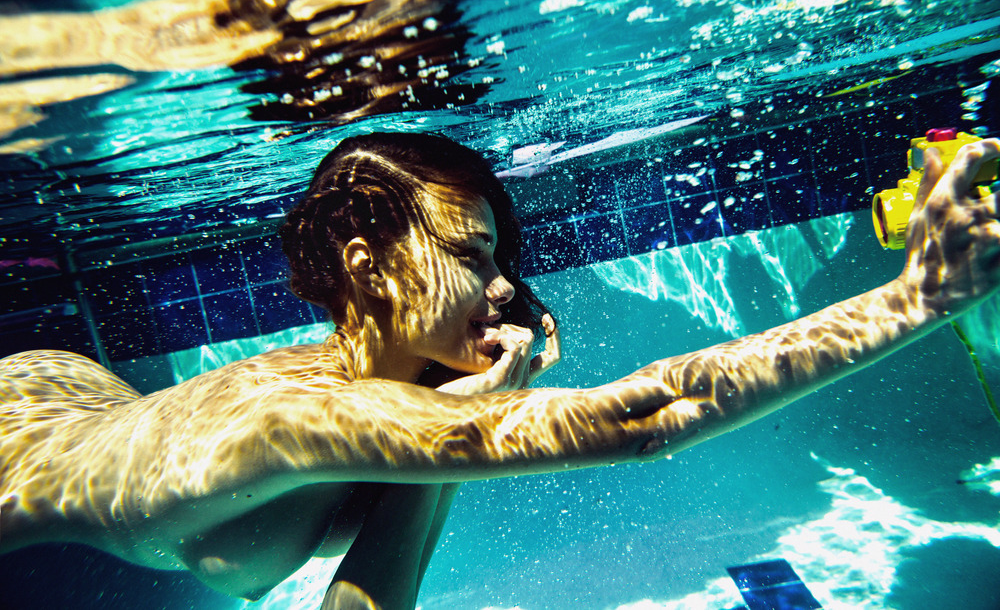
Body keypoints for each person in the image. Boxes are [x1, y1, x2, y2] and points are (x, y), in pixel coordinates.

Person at [1, 132, 999, 610]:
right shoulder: (298, 416)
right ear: (369, 266)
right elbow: (648, 416)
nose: (505, 283)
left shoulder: (388, 410)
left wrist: (461, 421)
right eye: (471, 254)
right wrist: (912, 301)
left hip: (79, 396)